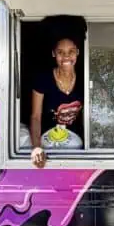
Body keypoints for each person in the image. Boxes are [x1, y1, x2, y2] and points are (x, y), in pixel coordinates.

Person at [30, 37, 84, 167]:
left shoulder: (85, 78)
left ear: (77, 52)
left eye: (71, 51)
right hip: (47, 138)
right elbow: (36, 117)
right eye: (60, 52)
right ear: (54, 54)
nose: (66, 56)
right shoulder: (43, 79)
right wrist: (37, 148)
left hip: (75, 141)